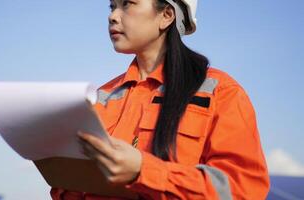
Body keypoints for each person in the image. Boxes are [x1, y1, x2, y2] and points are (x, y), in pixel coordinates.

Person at [51, 0, 270, 199]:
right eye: (112, 6)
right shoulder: (99, 98)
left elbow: (243, 190)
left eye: (127, 4)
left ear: (166, 15)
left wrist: (143, 171)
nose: (113, 16)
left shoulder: (220, 92)